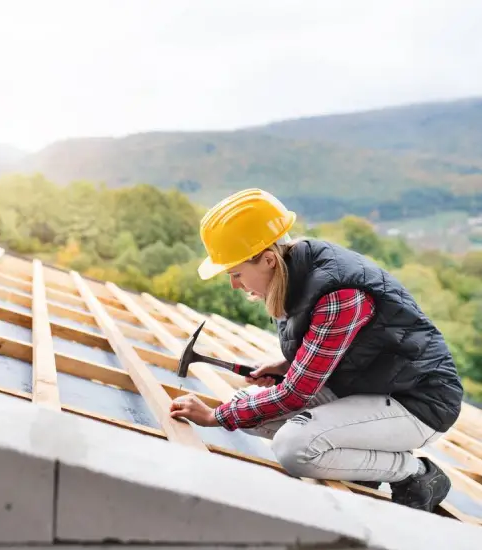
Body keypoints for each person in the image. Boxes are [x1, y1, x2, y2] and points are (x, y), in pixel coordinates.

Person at [169, 188, 463, 513]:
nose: (234, 285)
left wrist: (214, 416)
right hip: (369, 389)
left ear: (268, 258)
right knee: (246, 408)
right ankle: (358, 465)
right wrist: (285, 364)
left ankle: (416, 474)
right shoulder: (295, 271)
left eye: (236, 273)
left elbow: (295, 394)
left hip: (418, 404)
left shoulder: (338, 293)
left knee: (292, 446)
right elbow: (343, 347)